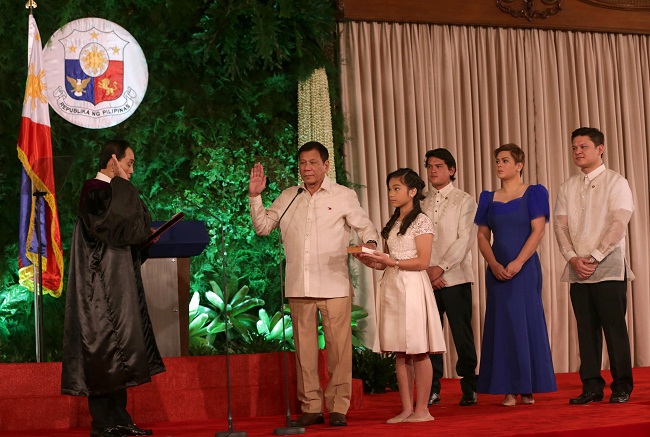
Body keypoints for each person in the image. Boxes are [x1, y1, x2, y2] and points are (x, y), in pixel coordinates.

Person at [248, 141, 379, 427]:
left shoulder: (343, 195)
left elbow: (365, 227)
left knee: (339, 351)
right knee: (305, 353)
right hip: (299, 286)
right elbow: (262, 228)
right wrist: (255, 197)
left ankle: (338, 407)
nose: (307, 168)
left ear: (326, 165)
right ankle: (311, 406)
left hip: (334, 285)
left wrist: (369, 243)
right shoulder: (288, 197)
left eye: (313, 163)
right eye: (303, 163)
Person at [61, 140, 165, 437]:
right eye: (128, 163)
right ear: (112, 161)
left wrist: (145, 240)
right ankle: (104, 423)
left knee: (121, 353)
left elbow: (127, 234)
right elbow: (111, 227)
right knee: (102, 352)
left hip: (119, 285)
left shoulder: (114, 191)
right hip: (98, 288)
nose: (132, 171)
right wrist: (121, 183)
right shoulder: (93, 190)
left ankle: (121, 419)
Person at [355, 168, 445, 424]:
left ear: (412, 191)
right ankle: (406, 408)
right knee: (400, 351)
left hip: (413, 286)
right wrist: (368, 260)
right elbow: (385, 262)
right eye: (390, 188)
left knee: (418, 350)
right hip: (393, 286)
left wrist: (390, 261)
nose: (391, 193)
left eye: (397, 188)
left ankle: (423, 409)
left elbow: (423, 261)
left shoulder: (422, 221)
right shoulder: (394, 222)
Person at [553, 127, 635, 405]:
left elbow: (618, 223)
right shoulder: (567, 186)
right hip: (577, 267)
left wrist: (596, 256)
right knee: (586, 332)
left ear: (600, 149)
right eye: (574, 147)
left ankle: (622, 385)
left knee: (614, 329)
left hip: (609, 266)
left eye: (583, 146)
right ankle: (591, 386)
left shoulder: (617, 182)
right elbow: (560, 226)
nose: (577, 151)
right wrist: (572, 257)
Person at [475, 143, 557, 406]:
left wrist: (519, 262)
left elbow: (538, 231)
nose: (499, 164)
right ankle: (508, 388)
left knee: (526, 322)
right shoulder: (487, 197)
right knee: (502, 325)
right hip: (497, 270)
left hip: (524, 270)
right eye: (497, 160)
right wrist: (494, 264)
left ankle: (528, 386)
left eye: (505, 160)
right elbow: (482, 235)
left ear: (519, 165)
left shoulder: (534, 192)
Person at [421, 148, 479, 407]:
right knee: (430, 336)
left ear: (451, 170)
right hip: (425, 278)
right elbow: (416, 240)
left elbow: (464, 239)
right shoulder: (420, 201)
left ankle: (470, 386)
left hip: (455, 278)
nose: (433, 171)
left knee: (461, 334)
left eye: (439, 166)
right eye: (430, 166)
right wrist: (428, 271)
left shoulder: (464, 200)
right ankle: (432, 389)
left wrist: (441, 268)